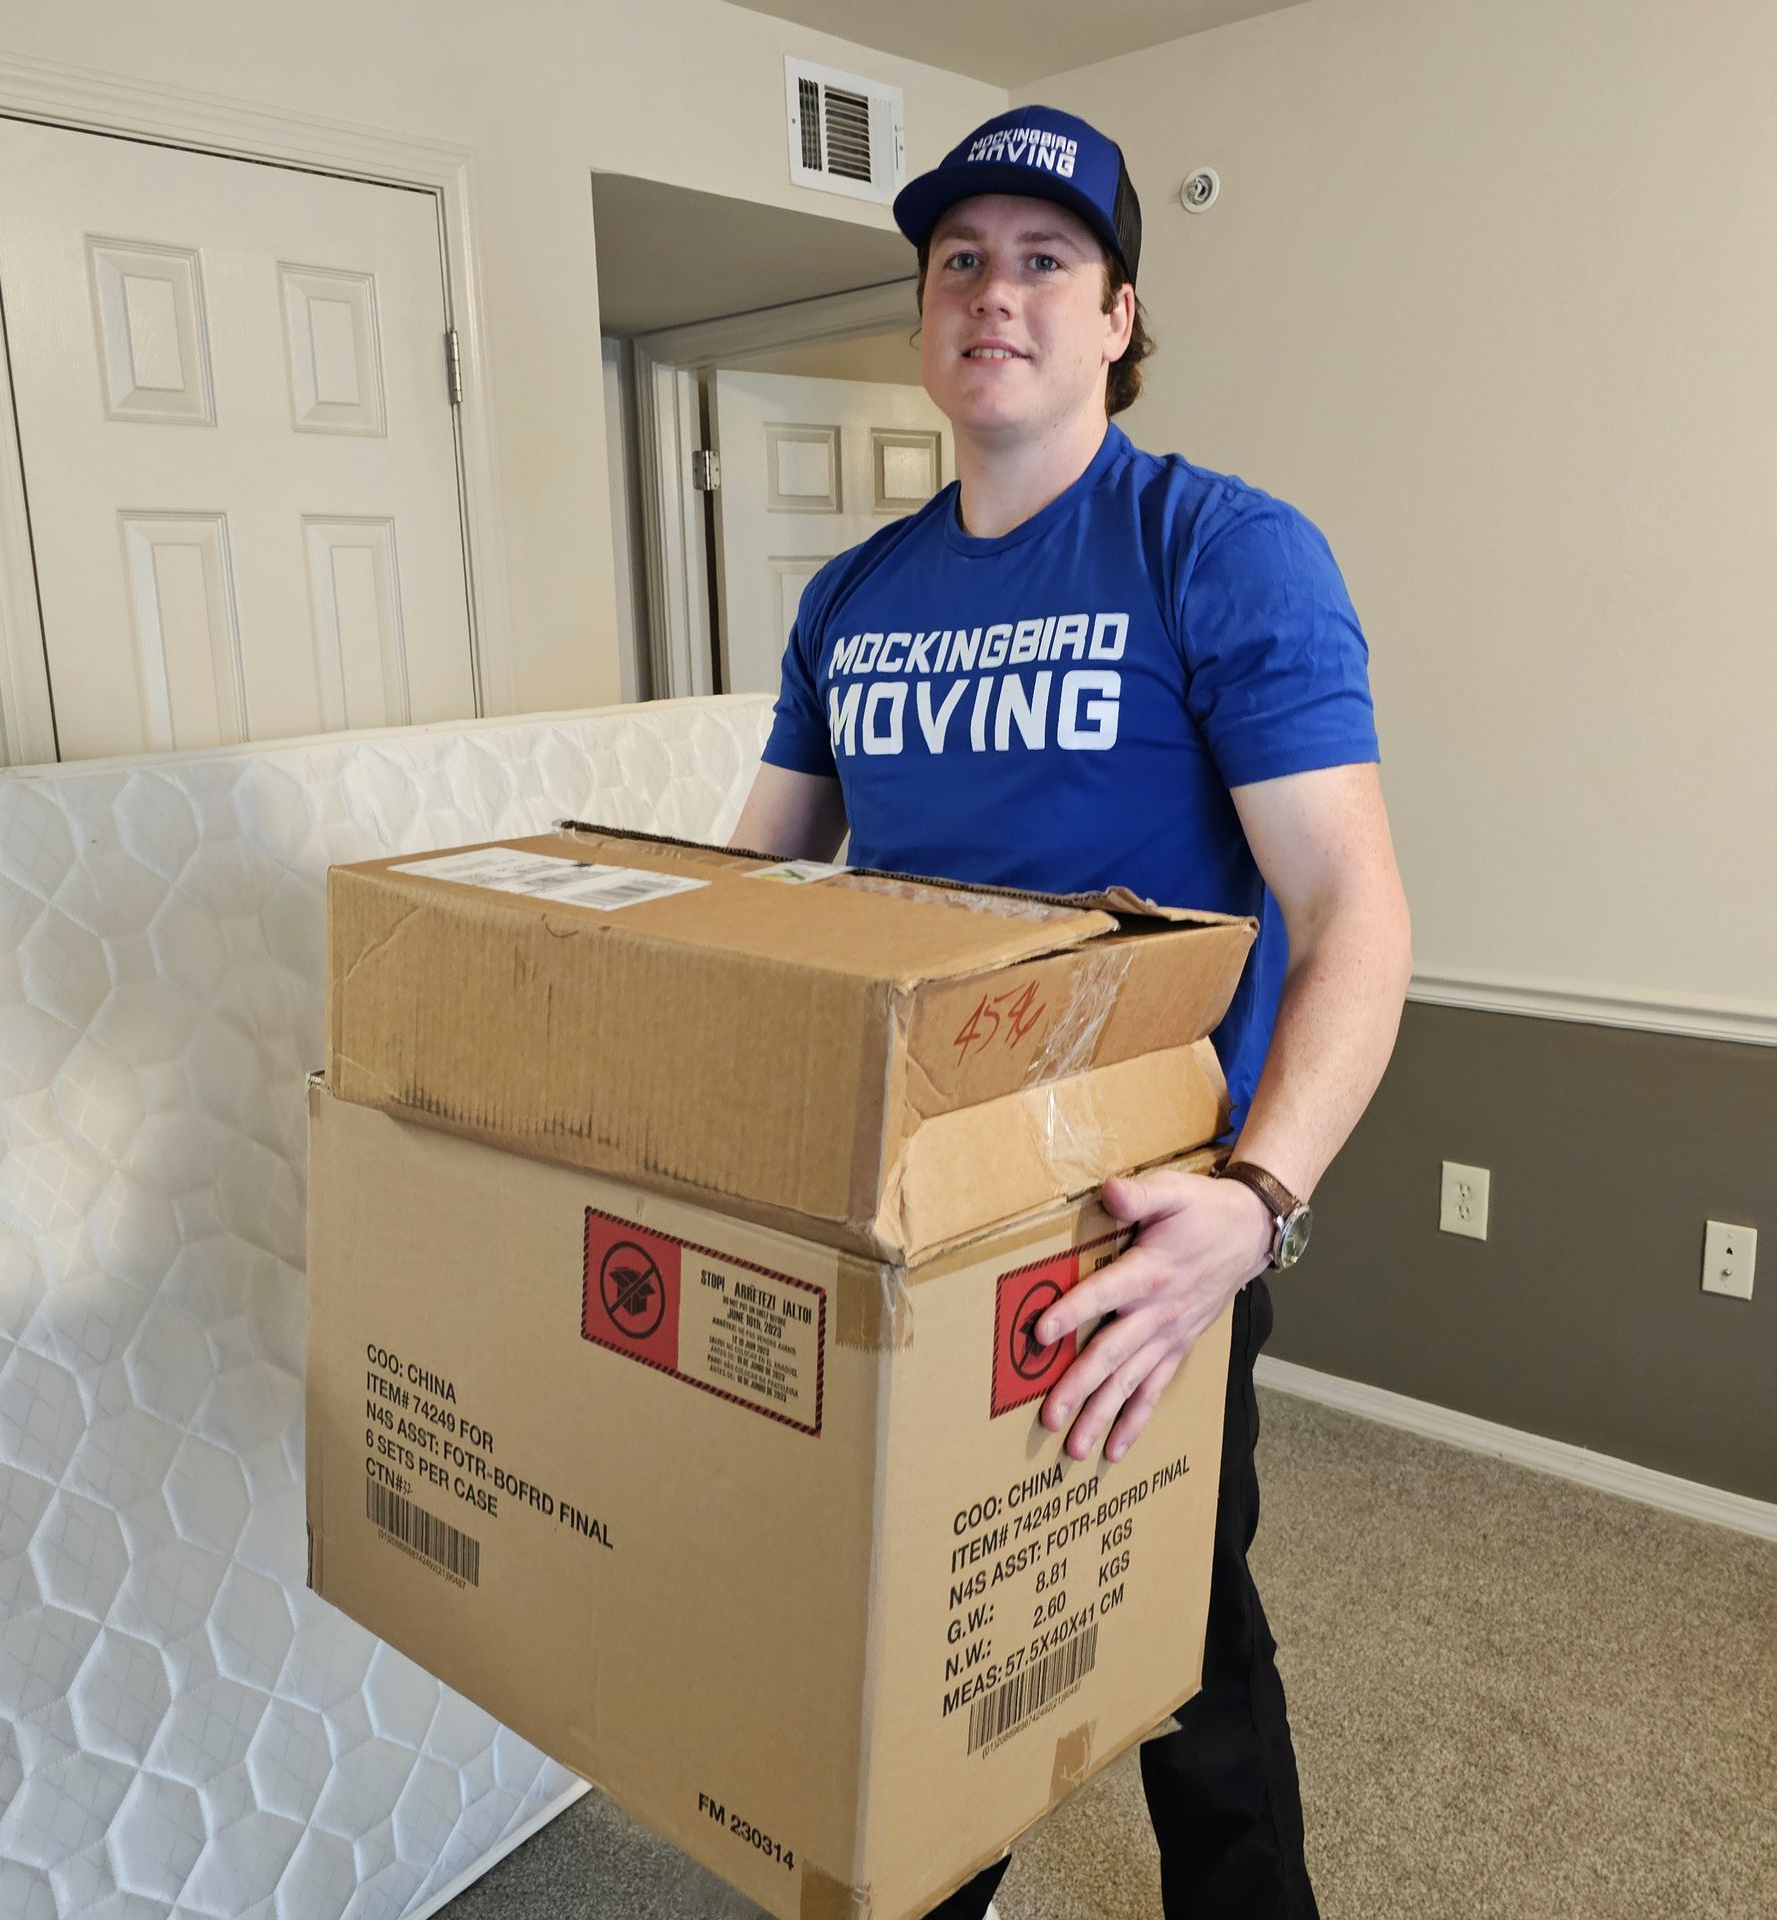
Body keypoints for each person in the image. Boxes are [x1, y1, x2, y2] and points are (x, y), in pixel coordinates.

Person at [729, 104, 1411, 1919]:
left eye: (1046, 260)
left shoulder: (1222, 551)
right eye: (959, 261)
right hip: (912, 1204)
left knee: (1178, 1627)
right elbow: (758, 899)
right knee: (923, 1616)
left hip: (1143, 1218)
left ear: (1118, 318)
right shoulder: (851, 599)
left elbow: (1354, 911)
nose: (995, 293)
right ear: (921, 317)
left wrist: (1256, 1207)